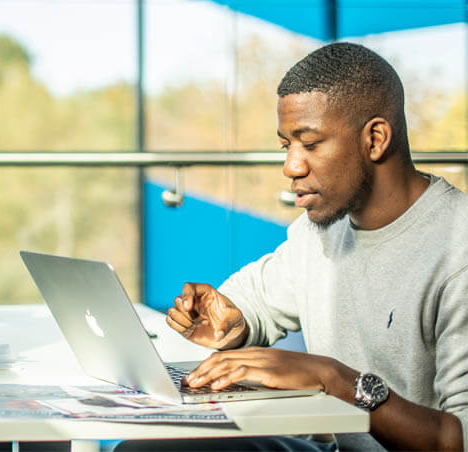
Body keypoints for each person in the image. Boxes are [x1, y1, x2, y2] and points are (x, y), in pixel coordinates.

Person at [164, 43, 468, 451]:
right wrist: (233, 321)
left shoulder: (458, 248)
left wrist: (336, 380)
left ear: (375, 139)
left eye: (309, 143)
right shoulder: (319, 230)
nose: (291, 166)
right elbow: (255, 303)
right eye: (285, 145)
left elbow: (459, 438)